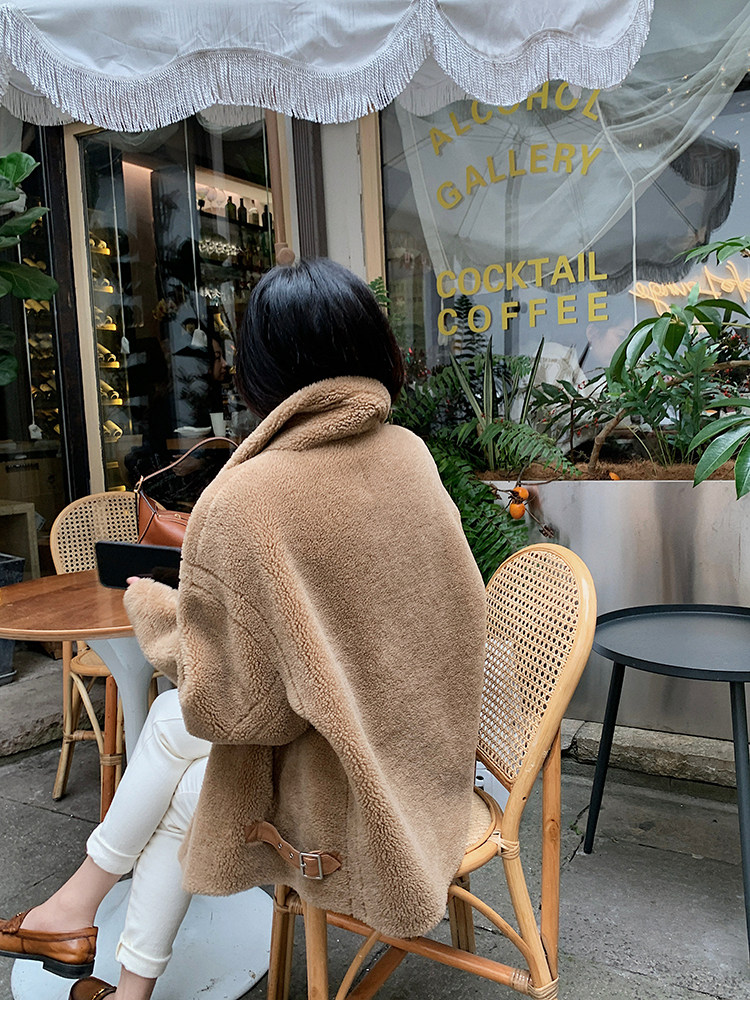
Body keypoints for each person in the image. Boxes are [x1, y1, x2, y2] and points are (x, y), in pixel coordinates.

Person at [0, 258, 487, 1000]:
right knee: (180, 747)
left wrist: (154, 611)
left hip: (353, 790)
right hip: (425, 745)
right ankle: (91, 941)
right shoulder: (406, 453)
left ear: (260, 367)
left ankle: (82, 926)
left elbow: (235, 710)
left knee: (183, 754)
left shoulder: (249, 497)